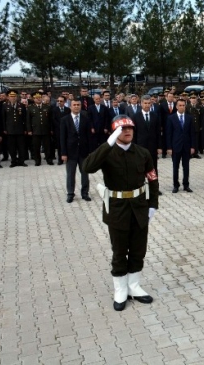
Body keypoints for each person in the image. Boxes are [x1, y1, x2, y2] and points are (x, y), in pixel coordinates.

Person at [82, 116, 159, 311]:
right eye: (122, 129)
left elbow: (152, 178)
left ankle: (134, 286)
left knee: (138, 249)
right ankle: (120, 289)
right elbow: (87, 167)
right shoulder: (107, 153)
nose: (127, 131)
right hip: (117, 208)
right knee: (119, 251)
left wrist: (153, 205)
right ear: (115, 132)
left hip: (139, 206)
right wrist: (107, 143)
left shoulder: (142, 153)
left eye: (130, 128)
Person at [60, 100, 92, 203]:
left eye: (78, 105)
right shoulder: (65, 120)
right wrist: (63, 153)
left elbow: (89, 136)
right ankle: (70, 194)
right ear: (70, 107)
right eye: (74, 105)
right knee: (70, 174)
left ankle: (85, 193)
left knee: (85, 173)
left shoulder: (85, 119)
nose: (76, 107)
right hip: (70, 152)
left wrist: (90, 151)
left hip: (83, 151)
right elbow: (62, 138)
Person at [166, 99, 196, 193]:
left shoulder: (189, 118)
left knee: (186, 167)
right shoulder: (171, 118)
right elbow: (168, 134)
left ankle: (186, 185)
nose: (182, 107)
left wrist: (192, 146)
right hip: (175, 147)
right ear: (176, 106)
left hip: (186, 146)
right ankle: (176, 185)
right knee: (176, 167)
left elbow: (192, 133)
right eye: (180, 105)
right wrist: (169, 148)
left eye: (183, 105)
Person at [2, 90, 28, 167]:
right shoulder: (5, 106)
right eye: (11, 96)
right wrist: (4, 129)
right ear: (8, 97)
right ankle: (13, 161)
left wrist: (25, 129)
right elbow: (3, 119)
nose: (13, 98)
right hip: (10, 130)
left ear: (17, 97)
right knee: (11, 147)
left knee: (21, 147)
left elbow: (25, 118)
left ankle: (21, 161)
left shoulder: (21, 105)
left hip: (20, 130)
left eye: (14, 96)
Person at [27, 92, 53, 166]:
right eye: (36, 98)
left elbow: (50, 119)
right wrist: (29, 130)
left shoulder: (47, 107)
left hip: (46, 129)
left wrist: (51, 129)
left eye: (39, 98)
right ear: (34, 99)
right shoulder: (30, 107)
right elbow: (28, 120)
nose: (38, 99)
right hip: (35, 130)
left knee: (47, 146)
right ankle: (37, 160)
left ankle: (49, 159)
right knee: (36, 147)